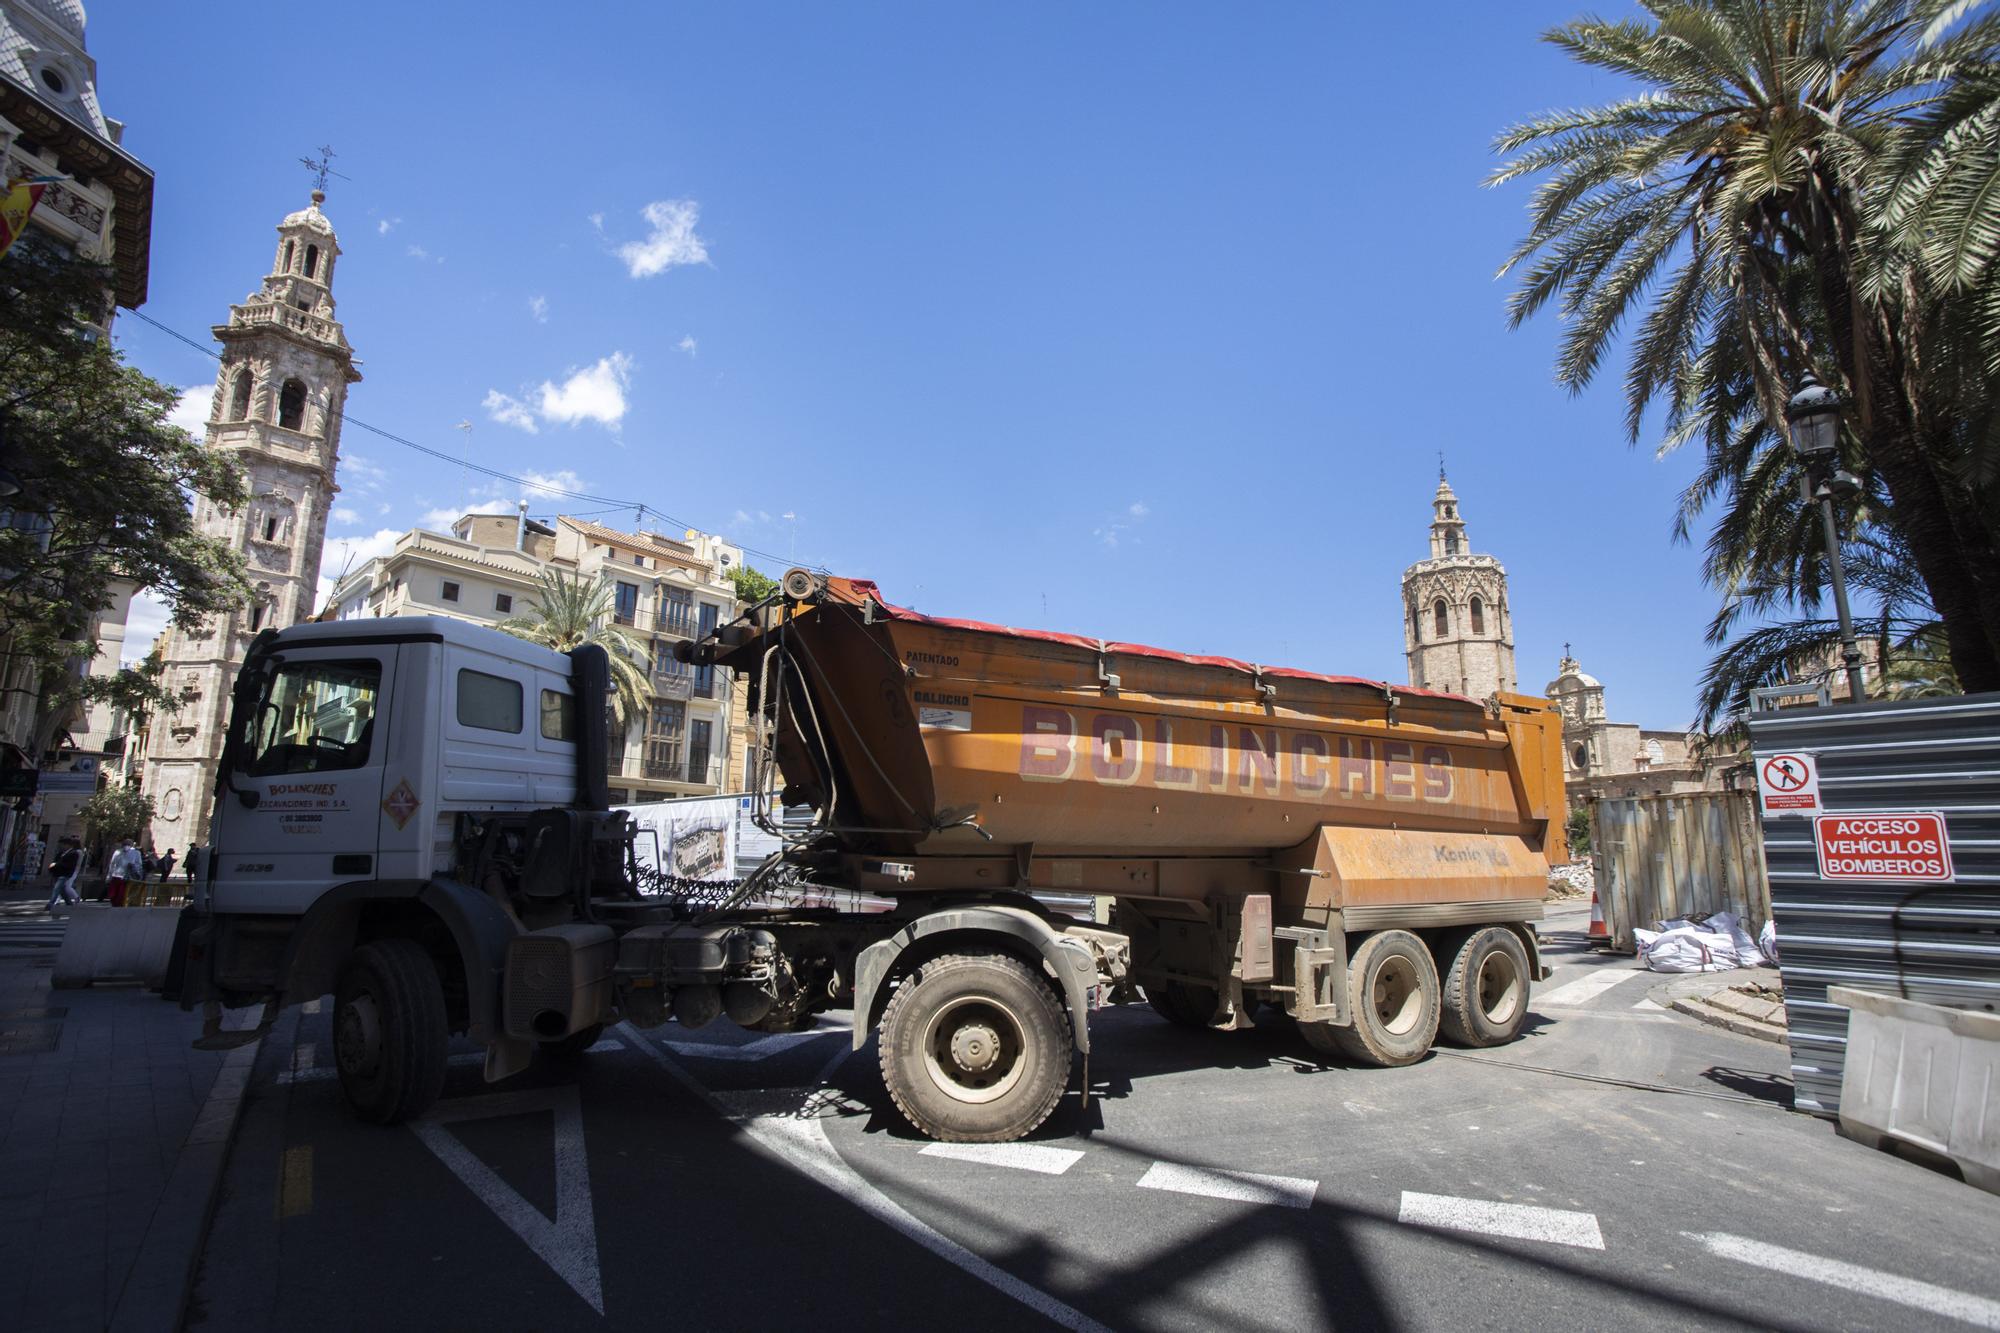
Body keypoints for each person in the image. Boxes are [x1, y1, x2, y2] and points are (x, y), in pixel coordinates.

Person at [44, 836, 82, 911]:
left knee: (57, 888)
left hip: (65, 874)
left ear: (68, 845)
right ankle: (69, 903)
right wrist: (53, 866)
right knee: (62, 890)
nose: (61, 846)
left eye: (63, 845)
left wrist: (57, 865)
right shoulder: (61, 853)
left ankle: (50, 904)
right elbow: (56, 861)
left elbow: (70, 865)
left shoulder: (74, 853)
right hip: (57, 873)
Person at [106, 837, 142, 908]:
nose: (126, 846)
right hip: (116, 875)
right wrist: (109, 875)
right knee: (113, 893)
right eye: (125, 844)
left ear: (131, 845)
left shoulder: (136, 853)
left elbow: (139, 864)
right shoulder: (118, 852)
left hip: (126, 876)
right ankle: (114, 903)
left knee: (121, 893)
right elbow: (112, 863)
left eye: (128, 844)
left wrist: (133, 866)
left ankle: (119, 904)